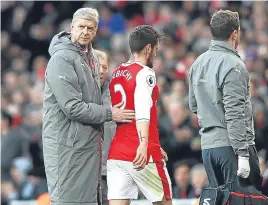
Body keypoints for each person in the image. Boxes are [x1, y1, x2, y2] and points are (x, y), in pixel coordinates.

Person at [43, 8, 134, 205]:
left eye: (90, 28)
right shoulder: (61, 59)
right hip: (68, 149)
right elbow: (72, 107)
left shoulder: (91, 58)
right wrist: (110, 114)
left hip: (87, 147)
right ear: (71, 27)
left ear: (96, 31)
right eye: (81, 27)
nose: (85, 31)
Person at [188, 10, 262, 190]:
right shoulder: (234, 65)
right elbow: (235, 113)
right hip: (232, 148)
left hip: (208, 150)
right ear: (235, 33)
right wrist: (243, 154)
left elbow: (193, 105)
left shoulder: (197, 63)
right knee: (243, 201)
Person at [107, 25, 172, 205]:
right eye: (156, 50)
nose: (156, 54)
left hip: (117, 153)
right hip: (141, 152)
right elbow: (142, 111)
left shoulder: (116, 73)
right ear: (148, 48)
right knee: (164, 201)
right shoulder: (145, 73)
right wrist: (145, 143)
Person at [94, 49, 116, 205]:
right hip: (86, 170)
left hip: (111, 169)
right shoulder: (78, 95)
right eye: (97, 66)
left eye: (105, 67)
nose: (102, 71)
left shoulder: (115, 94)